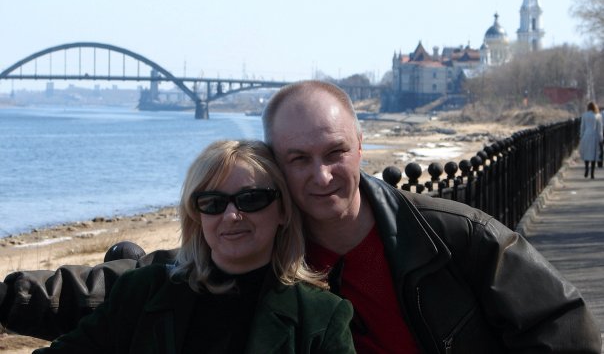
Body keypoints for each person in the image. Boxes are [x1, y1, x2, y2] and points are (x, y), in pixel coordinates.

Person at [1, 81, 602, 352]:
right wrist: (14, 294)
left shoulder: (450, 236)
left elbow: (562, 324)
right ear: (275, 167)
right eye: (298, 159)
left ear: (360, 147)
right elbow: (140, 282)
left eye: (335, 153)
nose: (321, 176)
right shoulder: (260, 238)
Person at [22, 139, 355, 353]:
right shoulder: (142, 293)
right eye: (212, 202)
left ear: (283, 211)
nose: (231, 215)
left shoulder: (320, 316)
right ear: (196, 215)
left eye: (251, 199)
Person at [579, 101, 603, 178]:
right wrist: (601, 138)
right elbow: (599, 129)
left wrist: (581, 136)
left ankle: (586, 168)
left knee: (586, 153)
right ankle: (592, 173)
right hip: (594, 136)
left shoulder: (584, 115)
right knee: (593, 155)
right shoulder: (598, 116)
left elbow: (582, 127)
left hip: (586, 135)